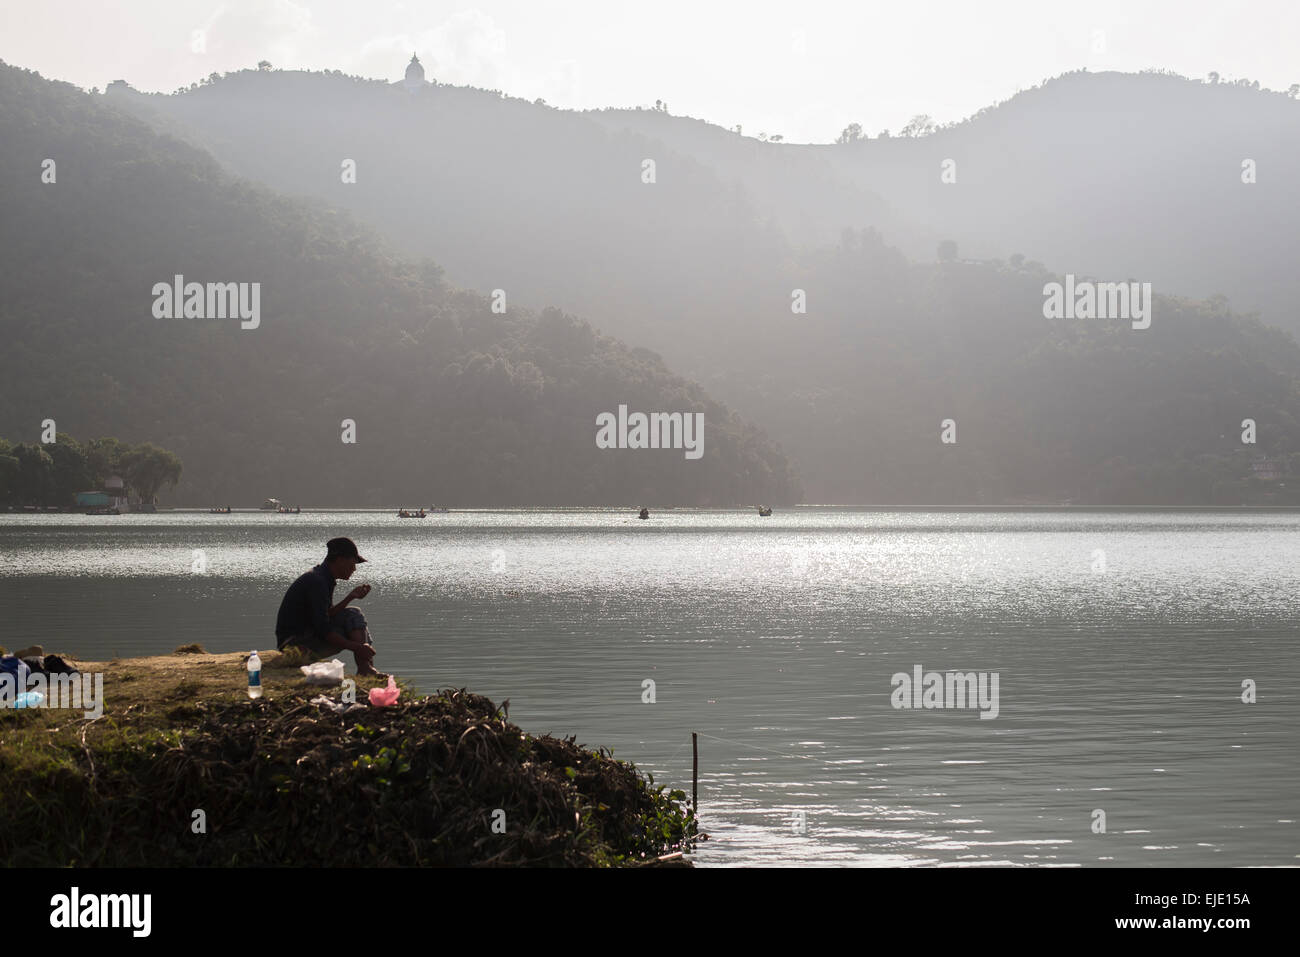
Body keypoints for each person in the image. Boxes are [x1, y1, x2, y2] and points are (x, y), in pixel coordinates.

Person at [275, 537, 383, 677]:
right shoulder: (318, 582)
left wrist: (351, 597)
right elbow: (323, 629)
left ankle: (365, 668)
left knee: (353, 614)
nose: (354, 569)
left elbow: (326, 614)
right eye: (352, 564)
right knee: (353, 616)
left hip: (307, 635)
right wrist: (357, 647)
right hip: (294, 645)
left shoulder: (323, 578)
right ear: (339, 560)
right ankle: (365, 668)